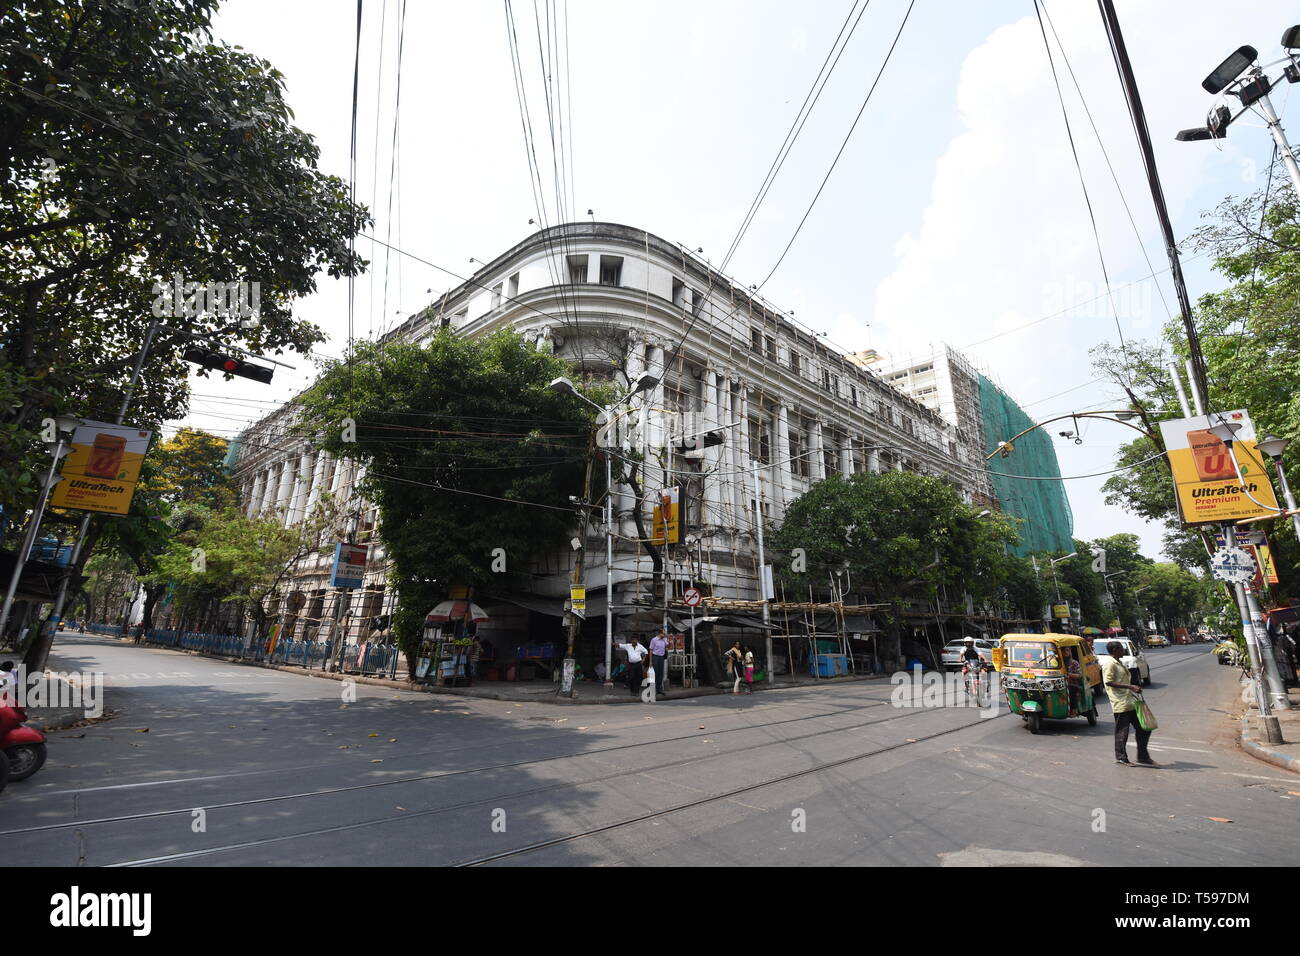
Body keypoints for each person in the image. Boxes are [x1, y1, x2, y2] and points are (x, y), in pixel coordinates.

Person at [1103, 640, 1155, 767]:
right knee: (1122, 731)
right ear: (1115, 650)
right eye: (1121, 648)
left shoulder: (1119, 662)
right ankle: (1121, 757)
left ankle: (1142, 756)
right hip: (1120, 703)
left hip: (1129, 701)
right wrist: (1130, 686)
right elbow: (1108, 682)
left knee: (1144, 728)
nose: (1123, 650)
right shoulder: (1109, 664)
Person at [649, 630, 668, 697]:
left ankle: (659, 689)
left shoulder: (664, 640)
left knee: (661, 673)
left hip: (661, 657)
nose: (664, 634)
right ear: (660, 633)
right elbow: (651, 650)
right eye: (663, 633)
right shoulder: (654, 640)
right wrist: (651, 661)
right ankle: (652, 689)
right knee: (655, 673)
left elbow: (667, 645)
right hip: (655, 657)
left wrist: (665, 638)